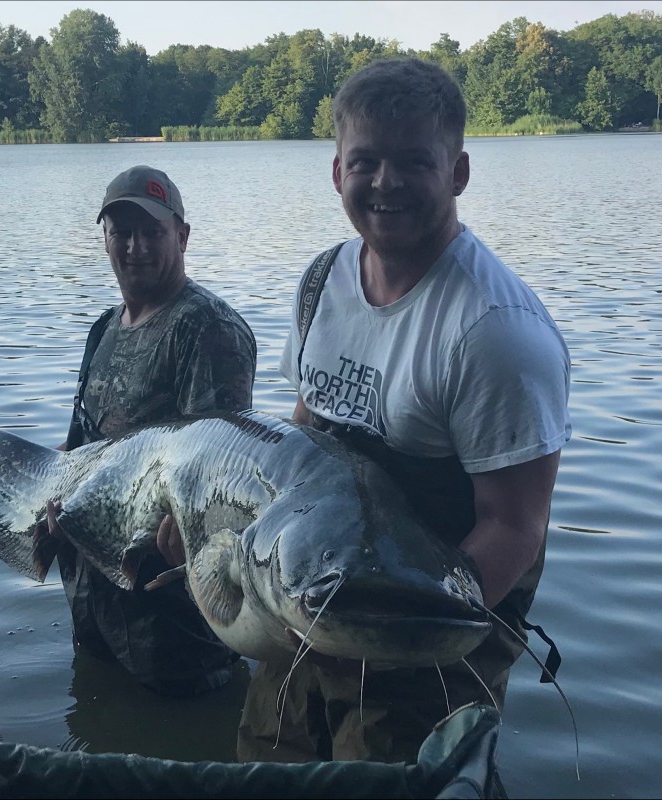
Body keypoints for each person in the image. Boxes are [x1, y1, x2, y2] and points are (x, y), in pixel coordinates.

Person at [230, 57, 572, 765]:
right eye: (366, 161)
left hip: (432, 650)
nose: (385, 182)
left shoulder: (495, 332)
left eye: (414, 161)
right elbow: (302, 440)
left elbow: (515, 526)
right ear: (337, 172)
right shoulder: (322, 281)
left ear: (458, 172)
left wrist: (393, 633)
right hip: (310, 613)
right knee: (264, 774)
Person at [0, 164, 257, 699]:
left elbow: (213, 481)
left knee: (183, 735)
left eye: (152, 231)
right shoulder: (104, 328)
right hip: (92, 597)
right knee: (94, 718)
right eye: (122, 232)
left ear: (182, 235)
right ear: (106, 239)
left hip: (171, 617)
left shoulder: (207, 329)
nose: (136, 247)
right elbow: (77, 453)